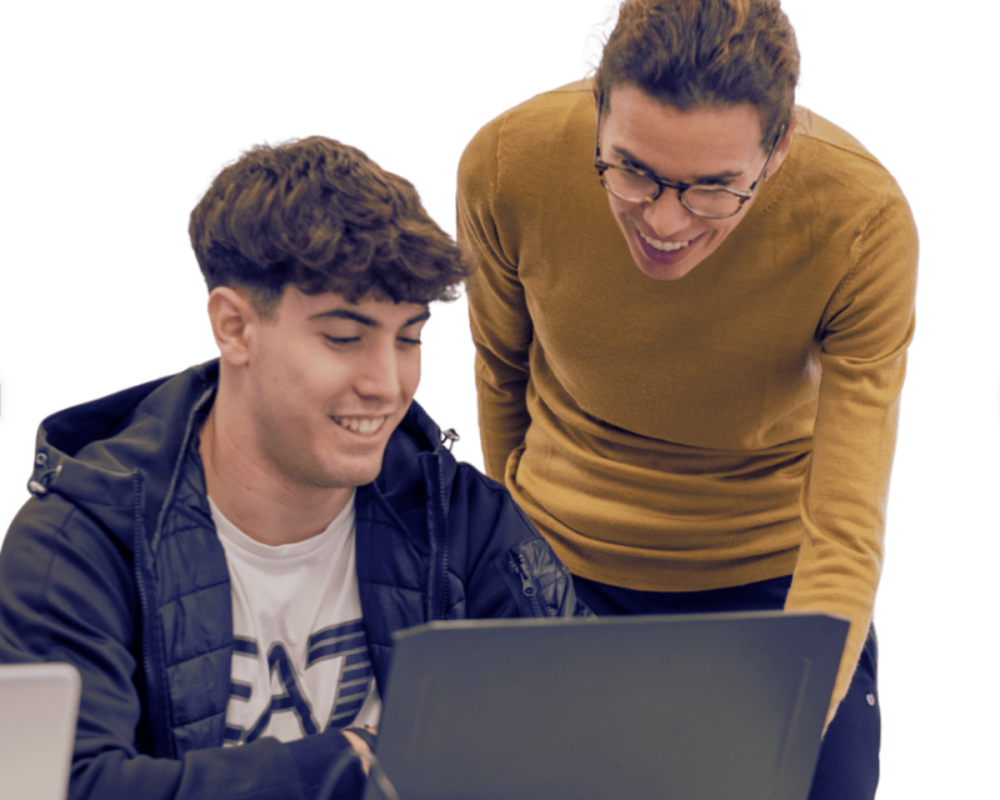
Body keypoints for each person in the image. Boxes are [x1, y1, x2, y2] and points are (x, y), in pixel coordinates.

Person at [0, 136, 584, 800]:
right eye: (344, 337)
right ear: (234, 327)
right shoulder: (80, 542)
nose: (388, 384)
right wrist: (343, 763)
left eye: (409, 337)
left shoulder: (461, 520)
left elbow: (586, 738)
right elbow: (63, 788)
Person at [457, 1, 917, 797]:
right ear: (597, 106)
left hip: (769, 584)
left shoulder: (861, 222)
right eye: (632, 169)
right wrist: (515, 567)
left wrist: (785, 717)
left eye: (714, 189)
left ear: (777, 151)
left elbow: (845, 527)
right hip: (561, 561)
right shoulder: (507, 164)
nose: (664, 222)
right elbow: (501, 372)